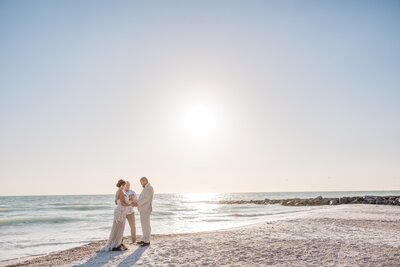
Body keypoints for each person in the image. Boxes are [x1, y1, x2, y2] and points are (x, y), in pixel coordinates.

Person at [103, 179, 133, 251]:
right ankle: (116, 244)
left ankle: (117, 243)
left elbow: (116, 202)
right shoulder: (120, 192)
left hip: (120, 211)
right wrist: (129, 204)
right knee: (119, 228)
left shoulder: (119, 191)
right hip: (120, 212)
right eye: (125, 184)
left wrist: (128, 201)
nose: (125, 186)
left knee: (117, 228)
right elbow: (122, 203)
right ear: (122, 185)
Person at [135, 177, 154, 246]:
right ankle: (144, 239)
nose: (141, 184)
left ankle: (147, 241)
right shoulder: (146, 188)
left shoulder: (150, 188)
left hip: (146, 209)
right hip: (143, 209)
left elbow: (146, 199)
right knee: (143, 225)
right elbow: (142, 198)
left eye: (141, 182)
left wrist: (137, 203)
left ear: (145, 181)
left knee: (146, 225)